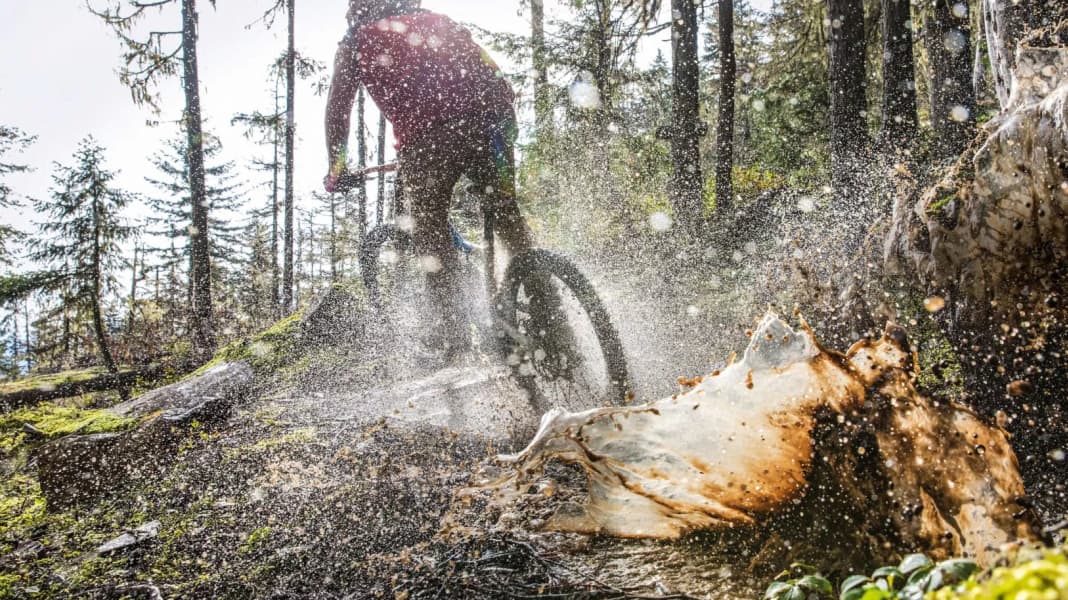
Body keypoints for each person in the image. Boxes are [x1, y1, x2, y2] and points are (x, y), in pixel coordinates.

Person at [324, 0, 534, 354]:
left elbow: (337, 113)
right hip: (490, 125)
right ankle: (550, 313)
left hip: (426, 141)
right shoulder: (437, 20)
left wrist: (336, 169)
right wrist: (503, 124)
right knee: (507, 217)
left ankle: (452, 336)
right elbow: (493, 73)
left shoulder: (355, 42)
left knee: (429, 229)